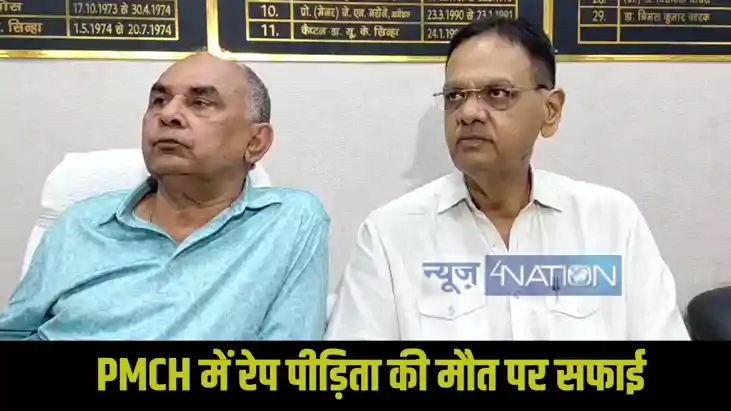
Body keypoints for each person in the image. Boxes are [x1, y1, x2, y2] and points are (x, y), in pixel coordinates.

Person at [326, 17, 689, 341]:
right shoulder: (390, 236)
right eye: (455, 96)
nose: (468, 113)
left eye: (496, 94)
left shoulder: (611, 223)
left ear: (551, 110)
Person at [0, 52, 330, 340]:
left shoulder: (288, 223)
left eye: (200, 102)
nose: (168, 114)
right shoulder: (81, 223)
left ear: (255, 142)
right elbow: (13, 331)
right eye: (159, 100)